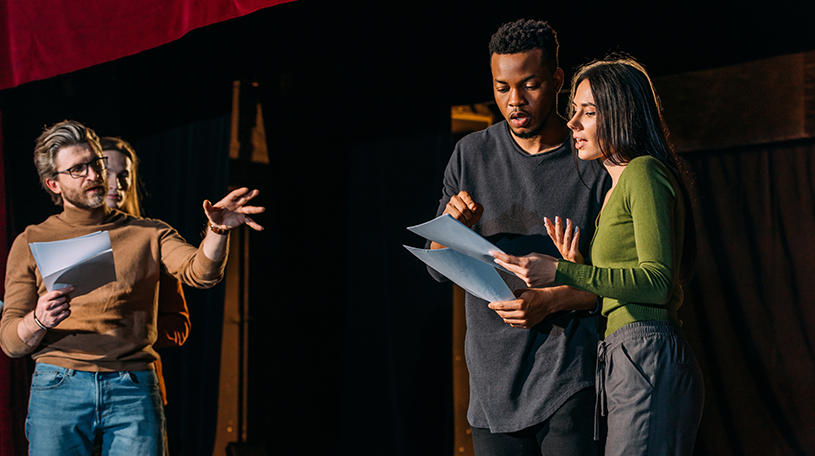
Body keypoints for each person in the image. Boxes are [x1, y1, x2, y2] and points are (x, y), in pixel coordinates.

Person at [0, 120, 264, 456]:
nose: (94, 175)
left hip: (132, 385)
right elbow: (10, 340)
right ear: (54, 183)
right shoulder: (31, 240)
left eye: (96, 163)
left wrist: (217, 231)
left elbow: (201, 273)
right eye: (78, 169)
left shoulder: (147, 233)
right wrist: (37, 320)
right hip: (58, 385)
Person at [493, 56, 705, 455]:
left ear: (622, 114)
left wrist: (564, 271)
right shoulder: (612, 191)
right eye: (574, 111)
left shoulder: (643, 172)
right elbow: (621, 278)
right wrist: (578, 268)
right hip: (624, 352)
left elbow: (658, 283)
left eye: (588, 112)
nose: (572, 123)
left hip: (647, 349)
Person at [428, 19, 609, 455]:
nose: (515, 101)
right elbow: (437, 267)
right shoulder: (471, 154)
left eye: (529, 85)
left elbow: (616, 280)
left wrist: (553, 298)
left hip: (569, 375)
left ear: (557, 80)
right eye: (502, 87)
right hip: (493, 386)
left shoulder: (589, 157)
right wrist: (455, 231)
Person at [99, 136, 190, 455]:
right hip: (72, 394)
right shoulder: (62, 238)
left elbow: (179, 324)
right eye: (106, 171)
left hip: (135, 390)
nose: (115, 183)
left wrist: (136, 333)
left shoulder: (150, 240)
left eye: (124, 175)